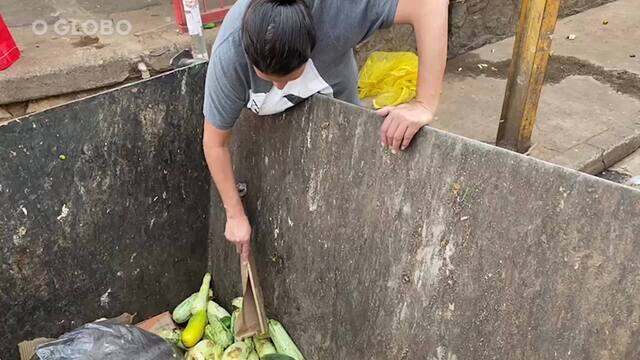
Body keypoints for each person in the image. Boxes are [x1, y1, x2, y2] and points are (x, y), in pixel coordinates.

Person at [202, 0, 448, 260]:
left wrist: (424, 103)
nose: (281, 88)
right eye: (269, 79)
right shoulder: (230, 54)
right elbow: (215, 143)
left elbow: (429, 4)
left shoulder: (342, 9)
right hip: (267, 126)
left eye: (289, 77)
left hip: (339, 109)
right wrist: (235, 214)